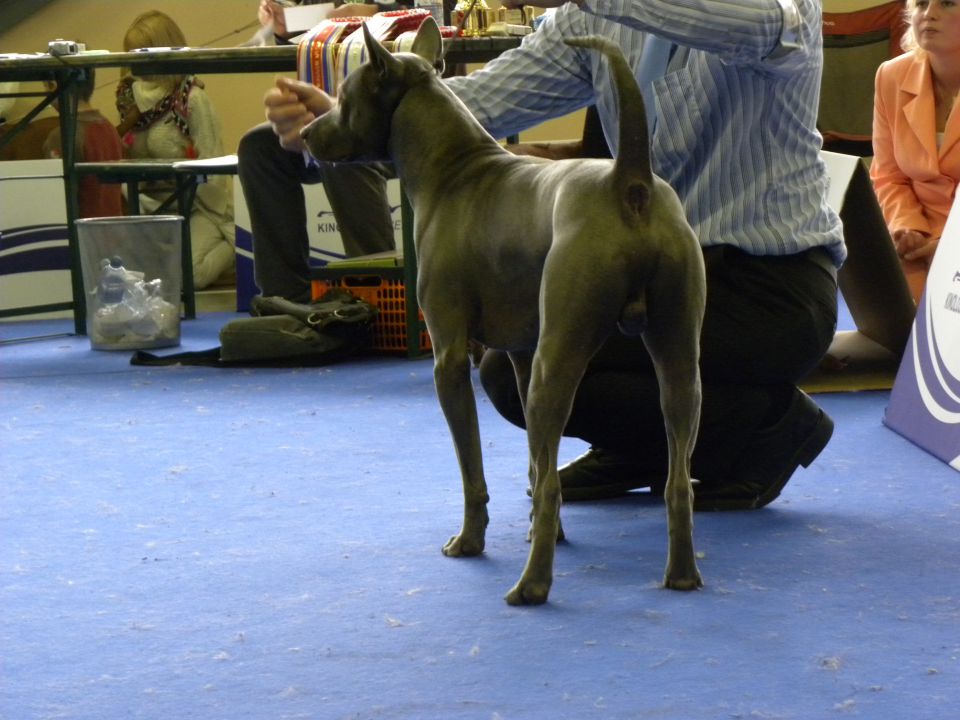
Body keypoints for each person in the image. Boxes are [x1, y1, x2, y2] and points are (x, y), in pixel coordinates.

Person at [261, 0, 844, 510]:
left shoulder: (780, 7)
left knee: (550, 365)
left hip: (770, 287)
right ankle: (644, 449)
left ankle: (774, 428)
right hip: (636, 269)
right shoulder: (588, 19)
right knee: (511, 375)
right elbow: (469, 105)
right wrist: (353, 116)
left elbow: (755, 25)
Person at [116, 10, 235, 290]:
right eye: (131, 54)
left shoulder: (193, 100)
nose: (136, 64)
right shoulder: (128, 103)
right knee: (139, 277)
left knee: (186, 275)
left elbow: (214, 167)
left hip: (200, 206)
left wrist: (186, 201)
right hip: (150, 205)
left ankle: (239, 243)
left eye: (142, 54)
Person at [871, 0, 960, 305]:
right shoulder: (891, 76)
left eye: (947, 3)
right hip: (917, 238)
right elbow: (887, 176)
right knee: (896, 326)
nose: (928, 13)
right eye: (921, 3)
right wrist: (906, 227)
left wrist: (951, 246)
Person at [42, 69, 124, 219]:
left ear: (53, 86)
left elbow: (59, 199)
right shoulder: (109, 128)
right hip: (112, 232)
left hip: (81, 235)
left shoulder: (63, 135)